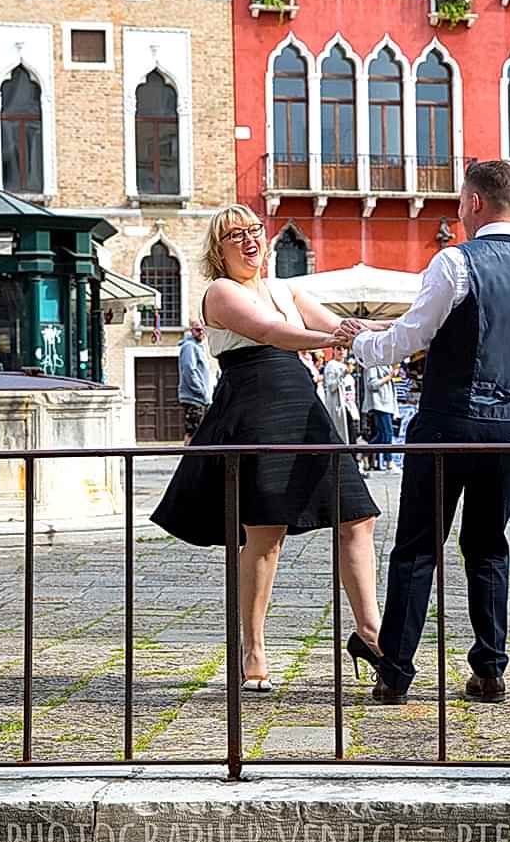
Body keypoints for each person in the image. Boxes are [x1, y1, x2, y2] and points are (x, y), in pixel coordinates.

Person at [344, 160, 510, 705]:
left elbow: (411, 337)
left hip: (449, 421)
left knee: (418, 546)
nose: (458, 211)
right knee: (488, 545)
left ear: (476, 203)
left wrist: (357, 343)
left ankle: (395, 671)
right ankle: (489, 669)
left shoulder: (454, 263)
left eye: (461, 201)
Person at [151, 205, 381, 694]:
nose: (249, 240)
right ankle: (252, 648)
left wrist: (399, 333)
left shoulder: (287, 288)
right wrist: (331, 337)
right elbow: (274, 333)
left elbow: (339, 325)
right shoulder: (220, 292)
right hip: (253, 402)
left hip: (301, 402)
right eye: (236, 235)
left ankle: (371, 634)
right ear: (220, 249)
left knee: (358, 516)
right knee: (265, 533)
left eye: (254, 230)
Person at [177, 320, 212, 440]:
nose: (201, 332)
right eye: (197, 329)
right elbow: (189, 370)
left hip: (201, 399)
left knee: (198, 434)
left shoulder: (199, 347)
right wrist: (201, 391)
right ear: (191, 331)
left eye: (203, 329)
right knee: (193, 434)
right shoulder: (189, 347)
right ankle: (189, 458)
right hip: (195, 399)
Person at [364, 358, 399, 472]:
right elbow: (372, 384)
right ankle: (389, 461)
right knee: (387, 433)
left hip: (388, 404)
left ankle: (363, 454)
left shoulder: (387, 364)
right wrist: (389, 376)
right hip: (379, 403)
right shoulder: (373, 365)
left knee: (382, 435)